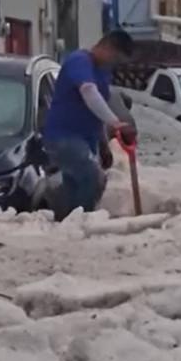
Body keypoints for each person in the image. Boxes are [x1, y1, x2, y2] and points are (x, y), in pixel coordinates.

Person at [43, 30, 137, 219]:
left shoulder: (102, 72)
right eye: (116, 58)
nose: (114, 64)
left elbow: (96, 109)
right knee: (93, 179)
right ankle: (82, 222)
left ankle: (68, 225)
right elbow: (89, 92)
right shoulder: (80, 61)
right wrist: (117, 124)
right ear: (107, 47)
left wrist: (103, 143)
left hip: (85, 139)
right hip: (64, 137)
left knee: (75, 186)